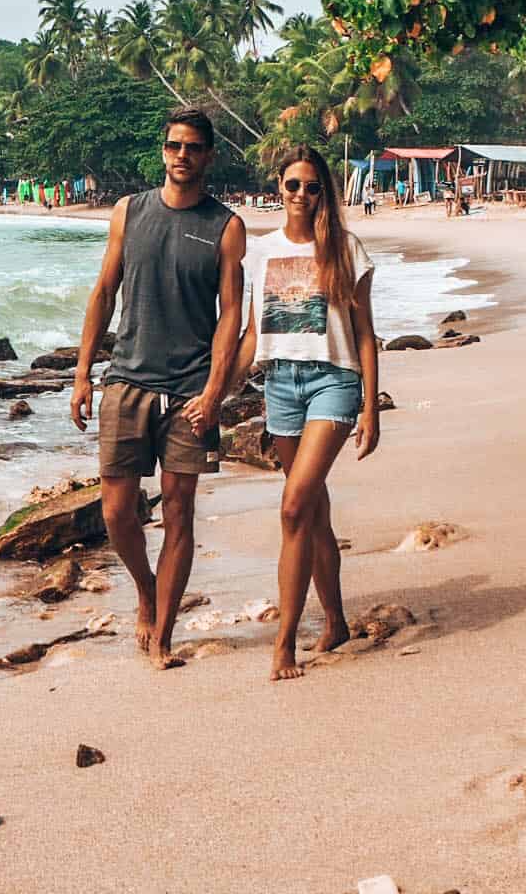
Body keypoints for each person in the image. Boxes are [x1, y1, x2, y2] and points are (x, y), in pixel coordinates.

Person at [71, 106, 244, 670]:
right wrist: (82, 375)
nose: (182, 156)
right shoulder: (129, 212)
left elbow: (231, 316)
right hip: (126, 379)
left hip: (190, 389)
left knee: (178, 512)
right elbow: (103, 292)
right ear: (163, 151)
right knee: (118, 512)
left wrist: (215, 389)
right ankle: (146, 590)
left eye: (193, 147)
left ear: (208, 156)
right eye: (174, 146)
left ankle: (164, 631)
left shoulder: (226, 226)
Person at [233, 147, 380, 681]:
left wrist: (370, 408)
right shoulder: (259, 252)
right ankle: (336, 621)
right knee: (314, 511)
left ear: (324, 192)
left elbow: (364, 333)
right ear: (279, 187)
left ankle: (284, 643)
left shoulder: (346, 248)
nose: (301, 194)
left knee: (294, 507)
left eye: (312, 186)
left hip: (333, 383)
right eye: (293, 184)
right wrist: (217, 391)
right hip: (280, 385)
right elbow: (255, 333)